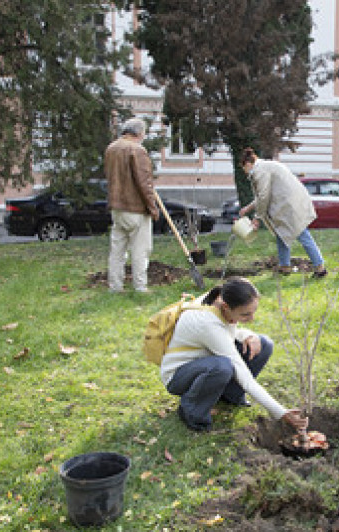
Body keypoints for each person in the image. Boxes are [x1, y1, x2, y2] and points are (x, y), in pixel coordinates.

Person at [161, 277, 309, 432]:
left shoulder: (221, 299)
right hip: (178, 376)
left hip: (205, 361)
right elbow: (244, 376)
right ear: (225, 307)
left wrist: (247, 335)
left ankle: (230, 396)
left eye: (253, 312)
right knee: (222, 366)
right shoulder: (206, 322)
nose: (251, 319)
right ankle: (192, 410)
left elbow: (226, 334)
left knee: (263, 344)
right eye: (245, 315)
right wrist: (281, 412)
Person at [237, 149, 327, 278]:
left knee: (302, 234)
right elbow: (262, 195)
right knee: (281, 234)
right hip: (289, 203)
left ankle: (320, 268)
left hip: (290, 205)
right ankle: (285, 267)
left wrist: (257, 218)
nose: (245, 172)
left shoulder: (260, 170)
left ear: (248, 164)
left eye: (243, 168)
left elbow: (263, 196)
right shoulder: (263, 167)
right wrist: (248, 208)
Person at [104, 117, 160, 293]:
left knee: (117, 250)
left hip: (116, 207)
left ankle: (115, 286)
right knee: (140, 250)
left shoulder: (111, 149)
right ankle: (140, 286)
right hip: (135, 208)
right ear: (139, 133)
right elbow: (144, 182)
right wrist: (152, 207)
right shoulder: (138, 150)